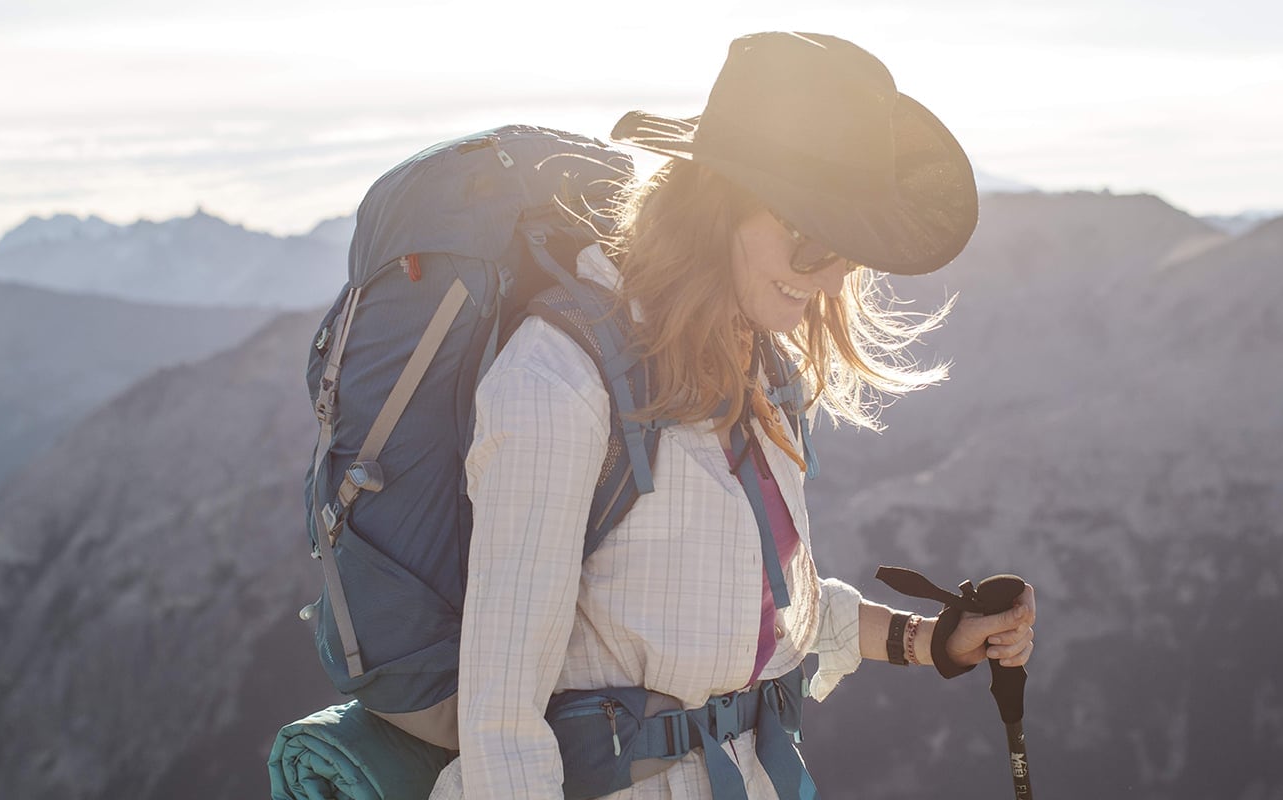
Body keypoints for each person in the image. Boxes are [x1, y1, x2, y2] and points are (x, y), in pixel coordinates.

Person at [435, 31, 1037, 799]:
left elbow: (756, 613)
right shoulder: (561, 378)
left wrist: (932, 642)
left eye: (850, 244)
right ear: (713, 207)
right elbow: (501, 724)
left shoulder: (752, 363)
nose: (831, 277)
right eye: (811, 235)